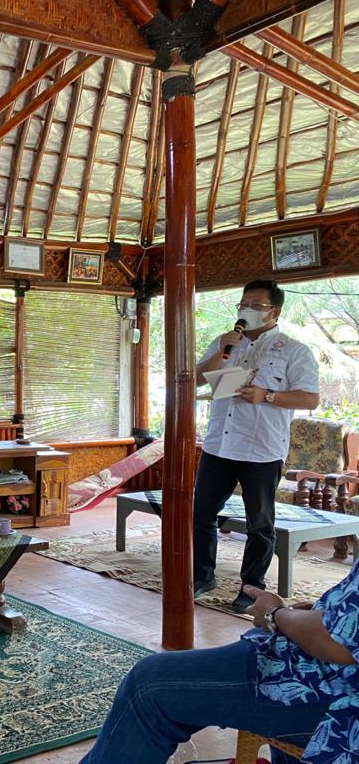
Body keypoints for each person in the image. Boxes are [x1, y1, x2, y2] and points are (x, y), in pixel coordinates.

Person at [79, 572, 357, 764]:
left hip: (333, 696)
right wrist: (320, 610)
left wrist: (276, 615)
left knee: (148, 687)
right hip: (323, 671)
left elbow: (336, 642)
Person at [194, 279, 319, 612]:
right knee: (201, 514)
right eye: (242, 303)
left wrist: (267, 396)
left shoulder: (294, 350)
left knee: (259, 525)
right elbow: (192, 379)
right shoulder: (225, 343)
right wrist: (220, 351)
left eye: (255, 304)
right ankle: (201, 575)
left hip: (261, 450)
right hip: (219, 445)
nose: (246, 309)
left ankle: (251, 588)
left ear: (273, 311)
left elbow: (310, 398)